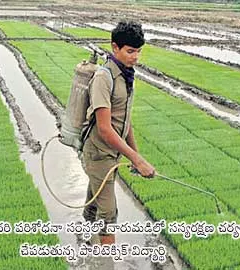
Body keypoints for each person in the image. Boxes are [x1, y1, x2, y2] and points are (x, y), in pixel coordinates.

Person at [82, 21, 155, 246]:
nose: (136, 57)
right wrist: (137, 159)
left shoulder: (127, 75)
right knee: (109, 214)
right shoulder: (105, 77)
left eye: (139, 51)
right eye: (130, 51)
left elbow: (126, 118)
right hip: (99, 153)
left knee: (95, 203)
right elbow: (105, 128)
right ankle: (106, 260)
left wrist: (136, 154)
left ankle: (85, 240)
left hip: (112, 154)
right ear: (115, 48)